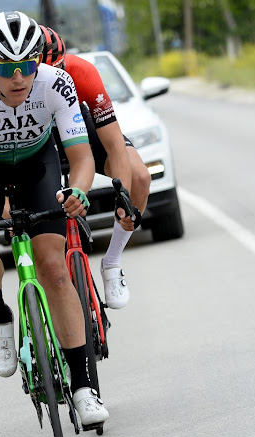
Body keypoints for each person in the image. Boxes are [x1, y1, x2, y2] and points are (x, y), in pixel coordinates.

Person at [0, 11, 108, 426]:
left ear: (39, 64)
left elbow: (81, 157)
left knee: (53, 266)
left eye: (27, 67)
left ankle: (84, 388)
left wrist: (79, 191)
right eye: (7, 69)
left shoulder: (56, 84)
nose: (18, 78)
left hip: (37, 167)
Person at [41, 25, 153, 310]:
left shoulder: (83, 72)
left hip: (81, 128)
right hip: (39, 140)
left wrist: (123, 197)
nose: (56, 79)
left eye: (61, 70)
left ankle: (112, 261)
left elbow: (115, 145)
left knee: (139, 175)